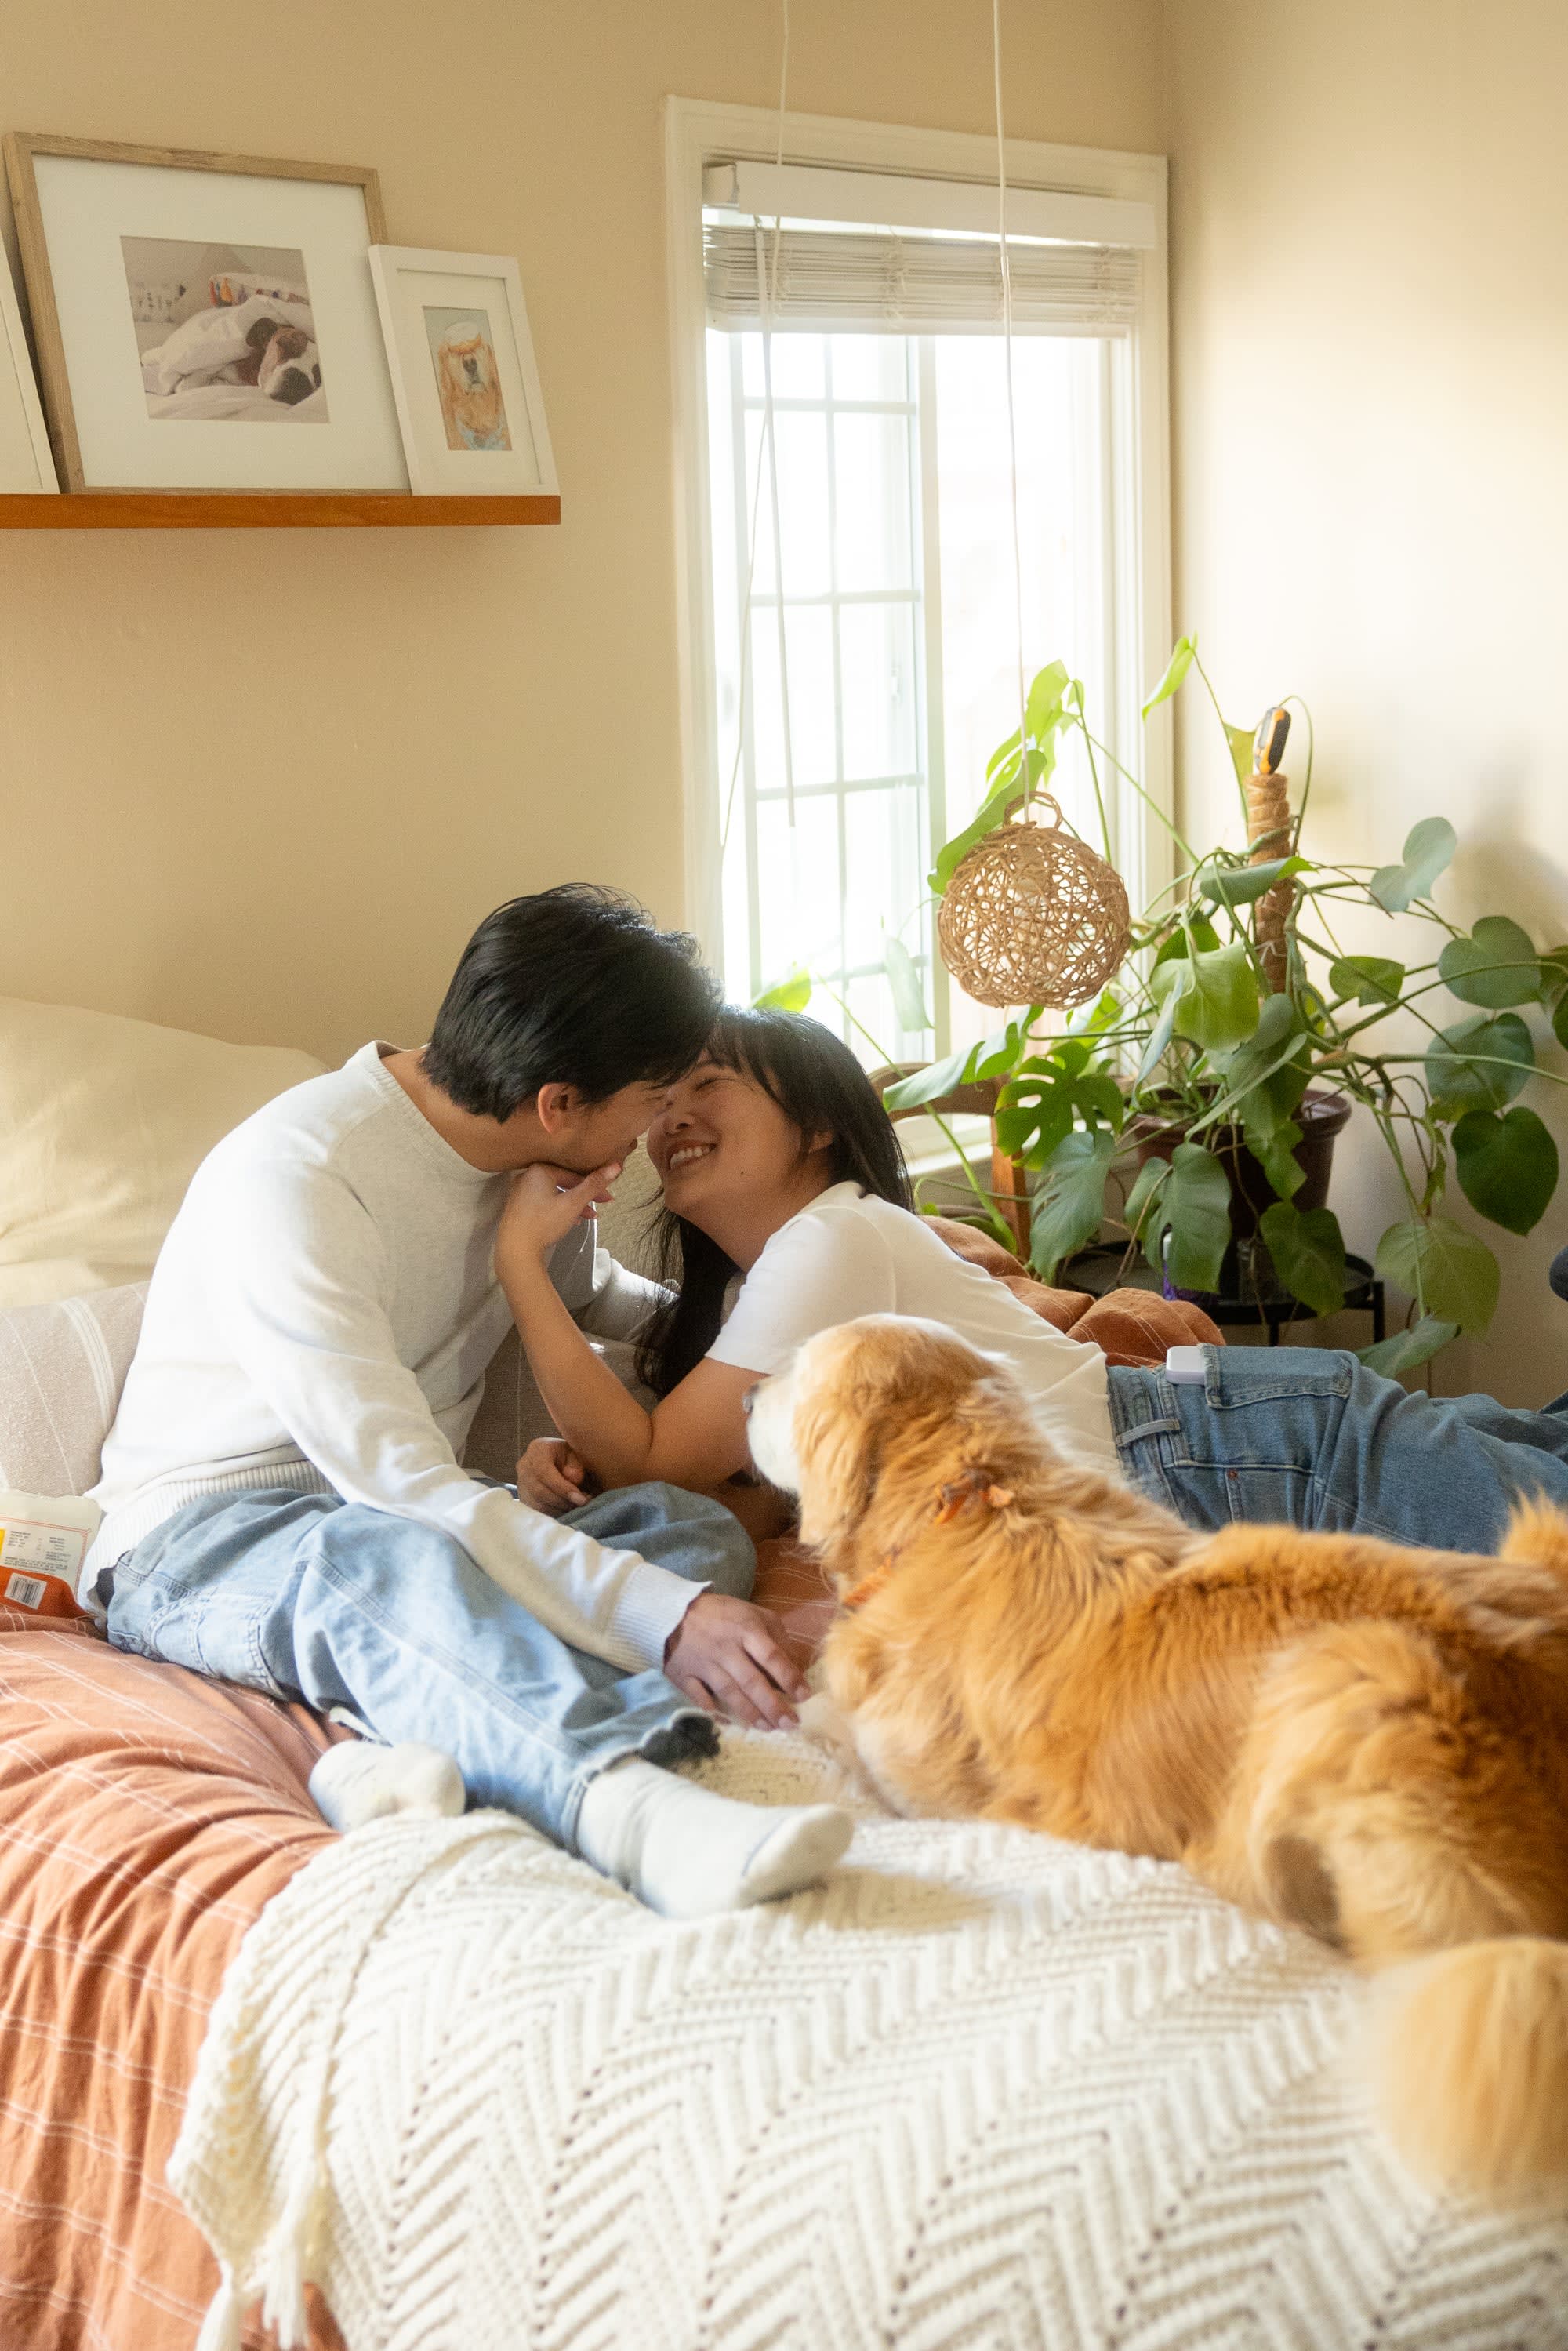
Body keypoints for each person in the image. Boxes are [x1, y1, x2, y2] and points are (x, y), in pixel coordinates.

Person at [88, 891, 852, 1917]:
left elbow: (604, 1304)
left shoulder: (534, 1163)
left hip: (404, 1515)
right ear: (559, 1102)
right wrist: (669, 1626)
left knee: (689, 1531)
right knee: (398, 1564)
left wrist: (775, 1339)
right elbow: (405, 1490)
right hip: (206, 1539)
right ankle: (627, 1806)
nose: (661, 1127)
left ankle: (383, 1747)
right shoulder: (302, 1180)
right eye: (653, 1097)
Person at [502, 1005, 1568, 1562]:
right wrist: (575, 1468)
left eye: (708, 1084)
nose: (672, 1116)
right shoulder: (768, 1298)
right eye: (662, 1099)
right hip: (1221, 1442)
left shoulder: (826, 1245)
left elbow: (659, 1455)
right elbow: (726, 1489)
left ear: (818, 1124)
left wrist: (519, 1265)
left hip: (1217, 1454)